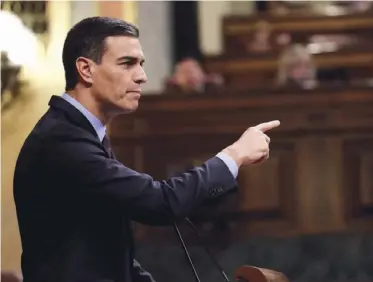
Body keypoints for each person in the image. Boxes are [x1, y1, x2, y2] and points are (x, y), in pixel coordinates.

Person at [13, 17, 280, 282]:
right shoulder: (62, 140)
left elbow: (110, 255)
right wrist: (235, 155)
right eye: (127, 64)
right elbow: (161, 203)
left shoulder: (80, 131)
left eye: (140, 64)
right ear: (86, 69)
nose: (142, 76)